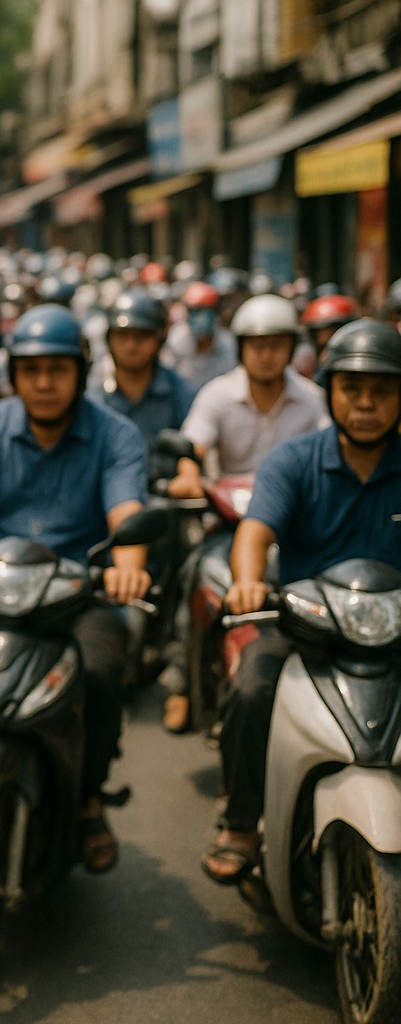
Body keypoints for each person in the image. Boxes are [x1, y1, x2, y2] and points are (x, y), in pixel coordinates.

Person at [0, 306, 152, 873]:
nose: (43, 383)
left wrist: (127, 565)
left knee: (105, 672)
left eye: (56, 370)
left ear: (80, 373)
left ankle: (88, 798)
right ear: (13, 374)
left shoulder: (116, 435)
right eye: (31, 370)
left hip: (77, 594)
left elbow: (127, 511)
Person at [201, 320, 401, 884]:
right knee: (251, 685)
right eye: (352, 389)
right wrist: (246, 582)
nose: (366, 403)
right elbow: (255, 533)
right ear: (331, 391)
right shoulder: (294, 461)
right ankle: (240, 823)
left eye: (382, 390)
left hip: (394, 634)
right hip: (305, 627)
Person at [167, 294, 329, 497]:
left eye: (276, 346)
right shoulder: (216, 394)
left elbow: (332, 448)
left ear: (291, 349)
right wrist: (188, 475)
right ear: (241, 349)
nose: (266, 356)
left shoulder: (311, 399)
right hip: (227, 510)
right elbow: (194, 446)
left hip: (298, 506)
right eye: (257, 346)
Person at [87, 289, 195, 444]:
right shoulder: (94, 397)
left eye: (141, 336)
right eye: (122, 335)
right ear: (109, 339)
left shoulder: (182, 395)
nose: (131, 345)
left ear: (159, 339)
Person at [162, 281, 238, 391]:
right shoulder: (177, 338)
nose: (200, 318)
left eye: (205, 311)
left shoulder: (227, 343)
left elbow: (233, 380)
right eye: (194, 311)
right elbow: (166, 374)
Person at [294, 293, 357, 379]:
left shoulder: (354, 355)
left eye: (322, 329)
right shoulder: (306, 357)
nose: (318, 334)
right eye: (315, 330)